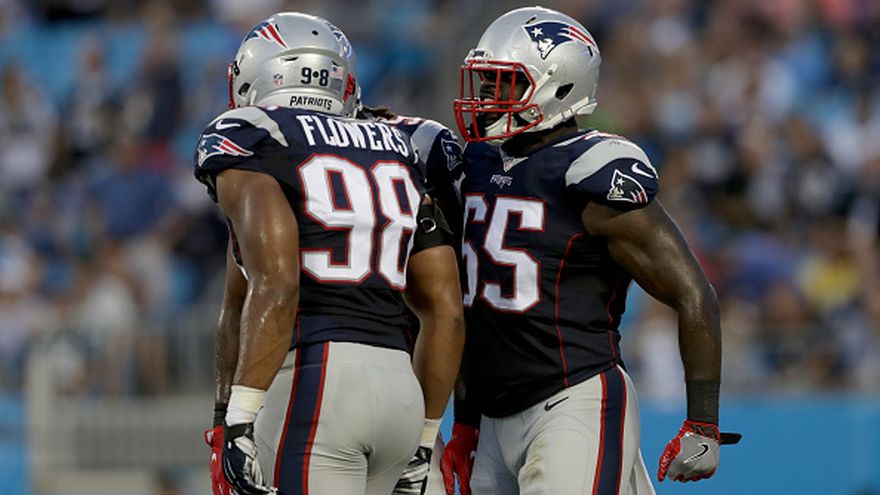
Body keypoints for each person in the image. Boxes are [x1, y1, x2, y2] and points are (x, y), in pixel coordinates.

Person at [440, 6, 738, 495]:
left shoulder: (589, 170)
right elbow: (478, 314)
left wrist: (702, 422)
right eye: (487, 81)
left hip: (572, 400)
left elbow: (693, 292)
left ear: (560, 86)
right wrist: (467, 421)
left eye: (506, 84)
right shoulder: (477, 164)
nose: (489, 96)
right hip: (493, 415)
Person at [194, 12, 464, 495]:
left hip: (317, 381)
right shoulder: (400, 145)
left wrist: (235, 420)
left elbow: (275, 285)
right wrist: (426, 437)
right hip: (401, 389)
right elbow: (446, 309)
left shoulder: (257, 137)